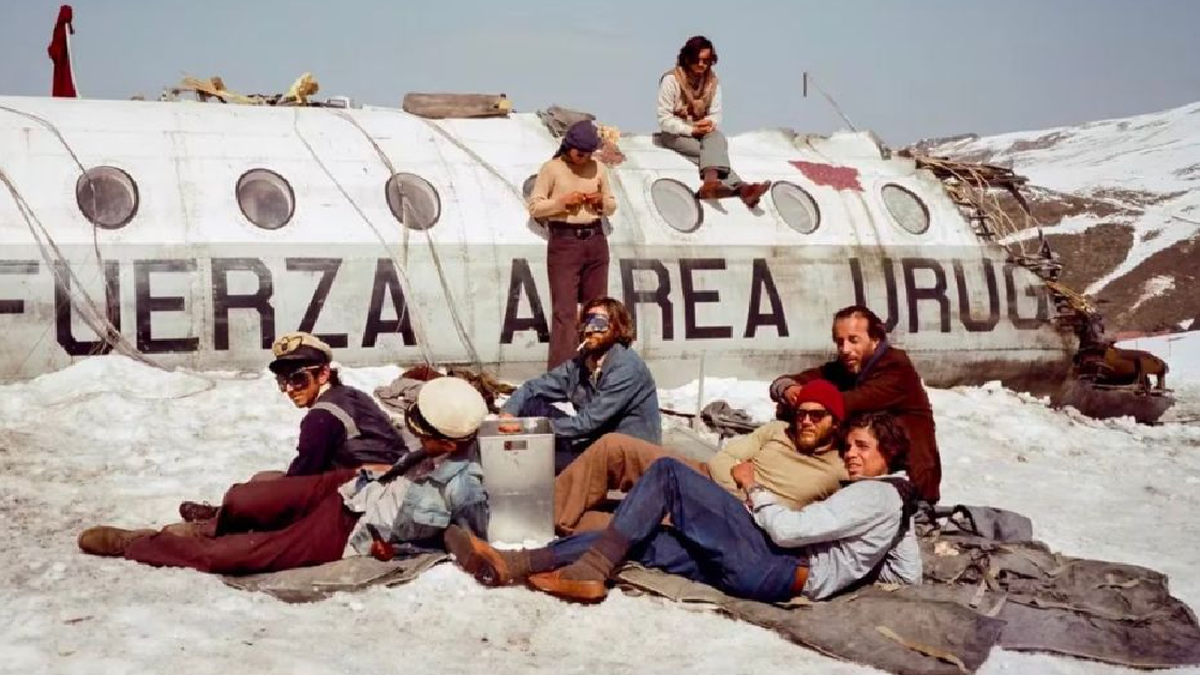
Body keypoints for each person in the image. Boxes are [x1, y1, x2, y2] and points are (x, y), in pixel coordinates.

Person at [445, 409, 921, 604]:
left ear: (889, 456)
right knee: (648, 538)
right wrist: (868, 577)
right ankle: (517, 563)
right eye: (852, 446)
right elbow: (908, 572)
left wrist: (755, 490)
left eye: (863, 447)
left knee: (668, 475)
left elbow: (791, 533)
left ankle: (591, 570)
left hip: (775, 562)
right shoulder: (895, 501)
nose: (852, 455)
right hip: (767, 576)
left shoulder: (873, 493)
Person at [76, 378, 490, 575]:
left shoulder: (465, 486)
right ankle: (216, 522)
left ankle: (138, 543)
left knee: (236, 557)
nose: (413, 430)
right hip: (352, 486)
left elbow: (458, 540)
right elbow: (406, 471)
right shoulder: (436, 447)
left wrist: (396, 553)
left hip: (351, 529)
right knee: (247, 497)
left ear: (449, 443)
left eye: (422, 430)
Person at [552, 379, 847, 535]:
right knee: (615, 446)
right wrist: (744, 488)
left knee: (624, 524)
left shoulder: (840, 468)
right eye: (802, 413)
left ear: (835, 422)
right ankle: (545, 518)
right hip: (707, 477)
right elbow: (723, 461)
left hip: (731, 517)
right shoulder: (777, 431)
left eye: (817, 415)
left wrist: (750, 494)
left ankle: (568, 525)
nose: (806, 421)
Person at [176, 331, 409, 522]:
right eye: (283, 381)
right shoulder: (350, 395)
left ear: (324, 374)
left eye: (298, 379)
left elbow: (300, 481)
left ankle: (220, 518)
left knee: (257, 489)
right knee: (264, 479)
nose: (289, 389)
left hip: (365, 494)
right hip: (388, 485)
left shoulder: (322, 416)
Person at [769, 306, 942, 505]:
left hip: (908, 484)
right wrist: (787, 389)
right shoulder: (848, 367)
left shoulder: (897, 370)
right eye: (839, 341)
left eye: (853, 340)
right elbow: (785, 382)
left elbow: (844, 403)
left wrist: (801, 403)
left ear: (875, 340)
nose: (845, 349)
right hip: (868, 476)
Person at [500, 297, 660, 473]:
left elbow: (588, 422)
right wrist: (509, 413)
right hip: (593, 441)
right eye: (586, 322)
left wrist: (531, 428)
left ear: (617, 327)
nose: (589, 330)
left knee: (539, 462)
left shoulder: (626, 367)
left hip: (626, 456)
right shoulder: (582, 363)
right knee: (531, 404)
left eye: (599, 323)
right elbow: (533, 387)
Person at [527, 119, 618, 370]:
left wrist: (600, 201)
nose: (584, 158)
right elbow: (535, 206)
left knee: (597, 310)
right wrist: (562, 203)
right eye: (580, 153)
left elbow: (611, 204)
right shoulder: (552, 169)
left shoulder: (598, 168)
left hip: (596, 239)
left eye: (589, 153)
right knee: (564, 313)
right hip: (565, 241)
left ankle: (595, 367)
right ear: (569, 148)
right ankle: (562, 373)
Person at [656, 35, 770, 209]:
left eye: (706, 60)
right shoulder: (671, 80)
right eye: (697, 59)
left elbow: (716, 114)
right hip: (676, 133)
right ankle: (741, 188)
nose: (701, 64)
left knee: (717, 138)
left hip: (702, 132)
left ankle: (712, 185)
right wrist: (690, 130)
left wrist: (708, 123)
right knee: (710, 155)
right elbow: (664, 119)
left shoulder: (712, 82)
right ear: (687, 58)